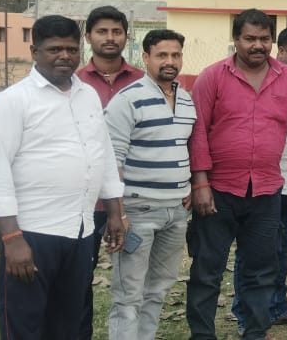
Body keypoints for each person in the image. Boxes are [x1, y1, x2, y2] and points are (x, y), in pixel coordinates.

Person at [0, 15, 125, 340]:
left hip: (79, 232)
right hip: (32, 234)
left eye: (71, 49)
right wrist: (12, 239)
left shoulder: (87, 95)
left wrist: (115, 212)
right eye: (55, 49)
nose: (65, 56)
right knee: (25, 326)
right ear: (35, 52)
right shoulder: (12, 101)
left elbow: (103, 154)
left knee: (68, 325)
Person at [185, 9, 287, 340]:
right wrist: (200, 182)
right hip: (218, 190)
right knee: (207, 270)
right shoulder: (212, 76)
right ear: (236, 39)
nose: (257, 45)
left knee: (261, 271)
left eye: (264, 39)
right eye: (250, 39)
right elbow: (198, 131)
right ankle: (202, 335)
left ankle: (255, 333)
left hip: (266, 192)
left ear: (272, 40)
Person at [105, 29, 195, 340]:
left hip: (176, 213)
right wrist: (118, 213)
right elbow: (112, 160)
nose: (170, 61)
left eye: (175, 55)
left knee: (158, 289)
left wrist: (188, 187)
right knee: (129, 296)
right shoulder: (127, 99)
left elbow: (183, 148)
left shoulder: (186, 100)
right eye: (162, 55)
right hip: (137, 211)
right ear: (145, 58)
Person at [231, 25, 287, 332]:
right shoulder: (266, 79)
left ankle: (276, 306)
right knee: (254, 252)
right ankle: (245, 316)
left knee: (281, 246)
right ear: (280, 51)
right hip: (261, 182)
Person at [76, 5, 144, 338]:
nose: (110, 38)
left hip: (134, 198)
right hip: (85, 201)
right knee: (78, 279)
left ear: (126, 37)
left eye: (116, 32)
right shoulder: (73, 83)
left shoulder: (143, 82)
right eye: (102, 31)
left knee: (133, 280)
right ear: (88, 36)